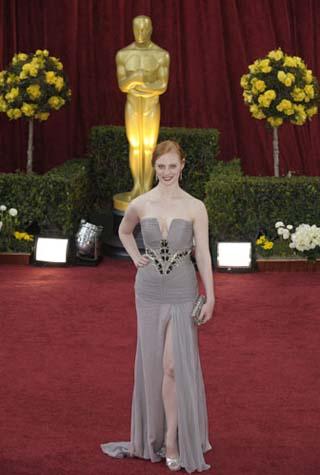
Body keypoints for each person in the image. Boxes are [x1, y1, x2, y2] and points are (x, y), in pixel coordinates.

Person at [101, 140, 215, 473]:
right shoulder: (141, 202)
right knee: (153, 365)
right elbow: (123, 231)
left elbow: (203, 254)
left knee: (173, 367)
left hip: (182, 290)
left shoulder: (196, 207)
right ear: (154, 167)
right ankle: (155, 434)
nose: (166, 172)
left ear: (183, 166)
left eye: (172, 165)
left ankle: (173, 440)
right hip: (148, 291)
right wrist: (136, 257)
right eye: (161, 166)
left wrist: (210, 294)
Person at [114, 15, 170, 210]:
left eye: (144, 29)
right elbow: (123, 85)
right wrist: (141, 79)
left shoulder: (161, 55)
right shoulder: (123, 54)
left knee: (149, 147)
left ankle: (147, 187)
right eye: (137, 28)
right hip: (132, 105)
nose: (140, 33)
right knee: (135, 146)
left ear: (151, 29)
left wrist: (137, 82)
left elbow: (161, 86)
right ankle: (137, 185)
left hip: (151, 106)